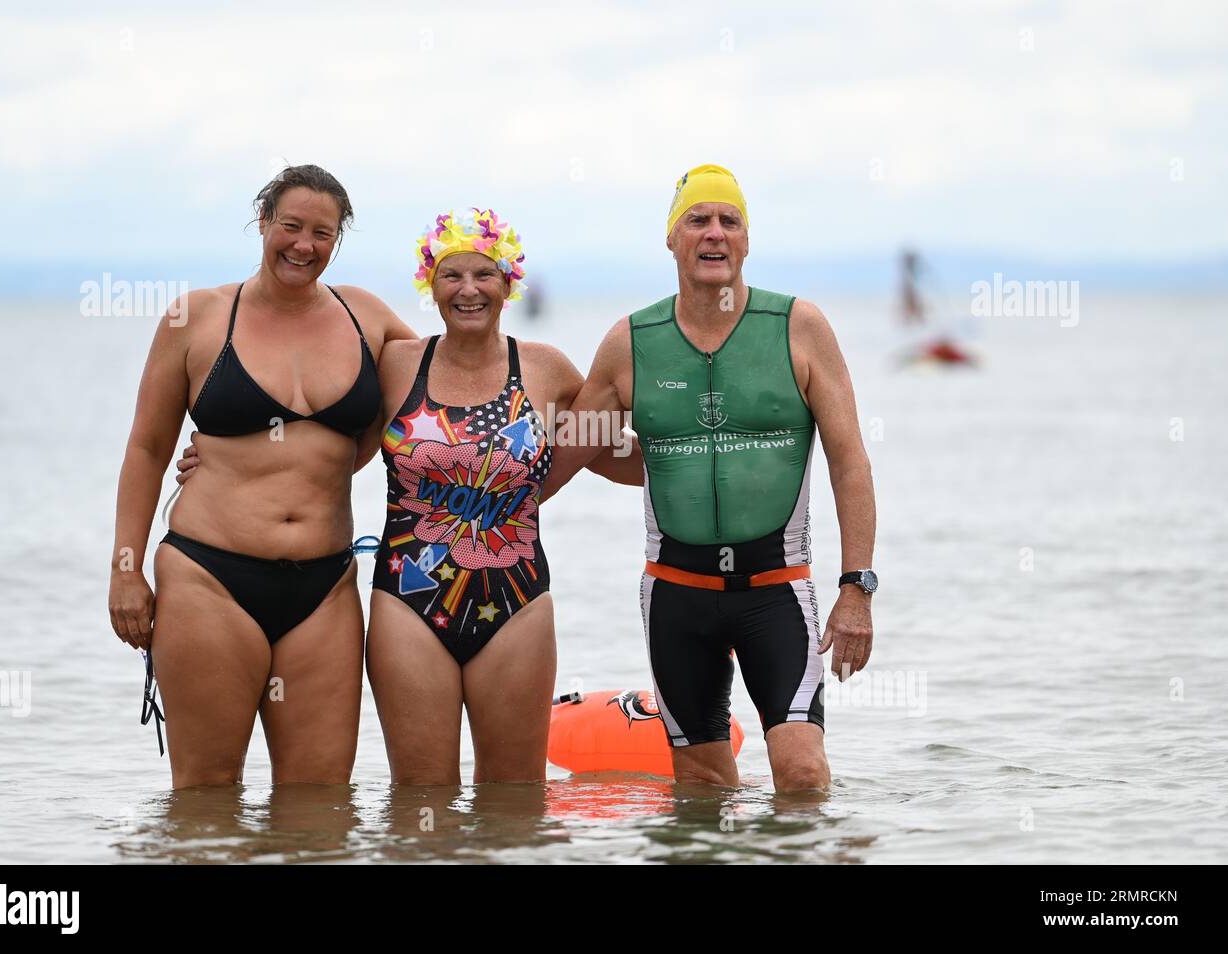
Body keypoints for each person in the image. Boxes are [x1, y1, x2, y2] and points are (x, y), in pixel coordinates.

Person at [175, 208, 642, 785]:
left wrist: (702, 459)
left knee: (517, 800)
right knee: (420, 802)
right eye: (452, 276)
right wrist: (225, 459)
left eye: (484, 275)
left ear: (508, 283)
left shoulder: (545, 370)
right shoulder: (398, 363)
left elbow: (605, 451)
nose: (468, 290)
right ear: (431, 285)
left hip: (517, 602)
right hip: (409, 605)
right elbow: (321, 437)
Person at [547, 164, 878, 794]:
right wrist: (466, 493)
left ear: (748, 240)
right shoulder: (630, 342)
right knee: (700, 786)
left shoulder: (797, 327)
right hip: (676, 592)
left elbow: (850, 461)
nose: (715, 234)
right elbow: (573, 454)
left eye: (730, 221)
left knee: (803, 775)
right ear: (671, 239)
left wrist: (857, 588)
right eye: (698, 220)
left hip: (776, 591)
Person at [109, 164, 416, 788]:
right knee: (206, 802)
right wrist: (125, 570)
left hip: (325, 588)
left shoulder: (370, 319)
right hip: (208, 577)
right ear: (263, 222)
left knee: (321, 808)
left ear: (338, 241)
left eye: (322, 234)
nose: (304, 245)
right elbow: (145, 448)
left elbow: (440, 398)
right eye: (291, 226)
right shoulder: (194, 318)